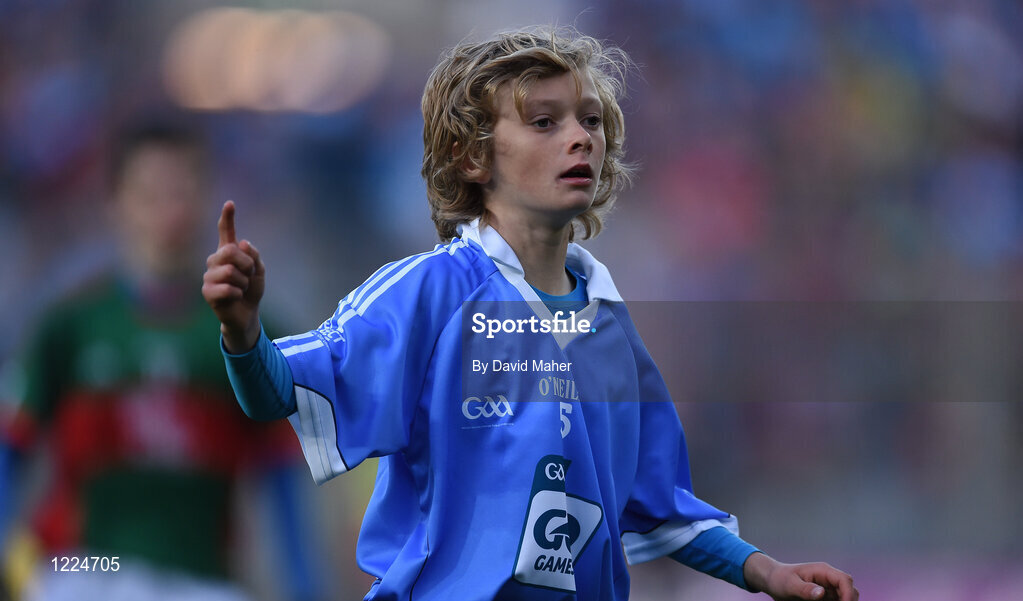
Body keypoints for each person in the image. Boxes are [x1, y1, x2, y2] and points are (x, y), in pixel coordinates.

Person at [204, 27, 858, 601]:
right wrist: (242, 328)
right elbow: (277, 394)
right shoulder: (429, 292)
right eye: (544, 122)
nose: (579, 136)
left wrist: (763, 570)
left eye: (590, 120)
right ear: (473, 155)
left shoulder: (609, 325)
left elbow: (655, 503)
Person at [0, 122, 322, 601]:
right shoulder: (70, 324)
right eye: (150, 194)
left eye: (182, 191)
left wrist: (304, 585)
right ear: (115, 204)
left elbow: (281, 473)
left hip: (202, 579)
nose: (168, 211)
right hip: (82, 568)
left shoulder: (250, 331)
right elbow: (12, 446)